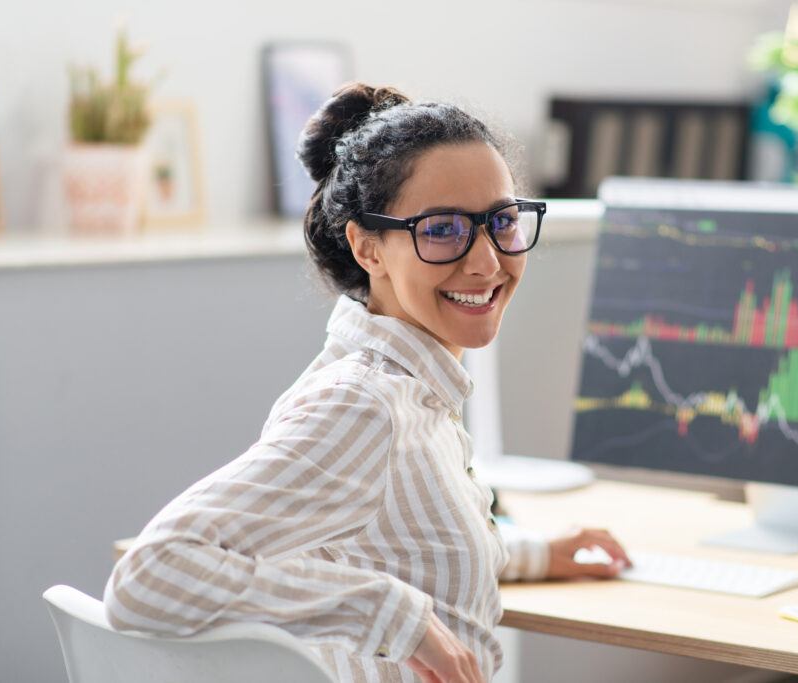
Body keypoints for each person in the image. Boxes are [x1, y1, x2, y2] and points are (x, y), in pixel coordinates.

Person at [104, 83, 631, 683]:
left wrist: (531, 553)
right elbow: (152, 573)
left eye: (502, 221)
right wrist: (391, 616)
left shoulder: (410, 385)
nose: (487, 261)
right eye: (442, 230)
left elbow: (400, 540)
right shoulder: (364, 405)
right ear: (367, 247)